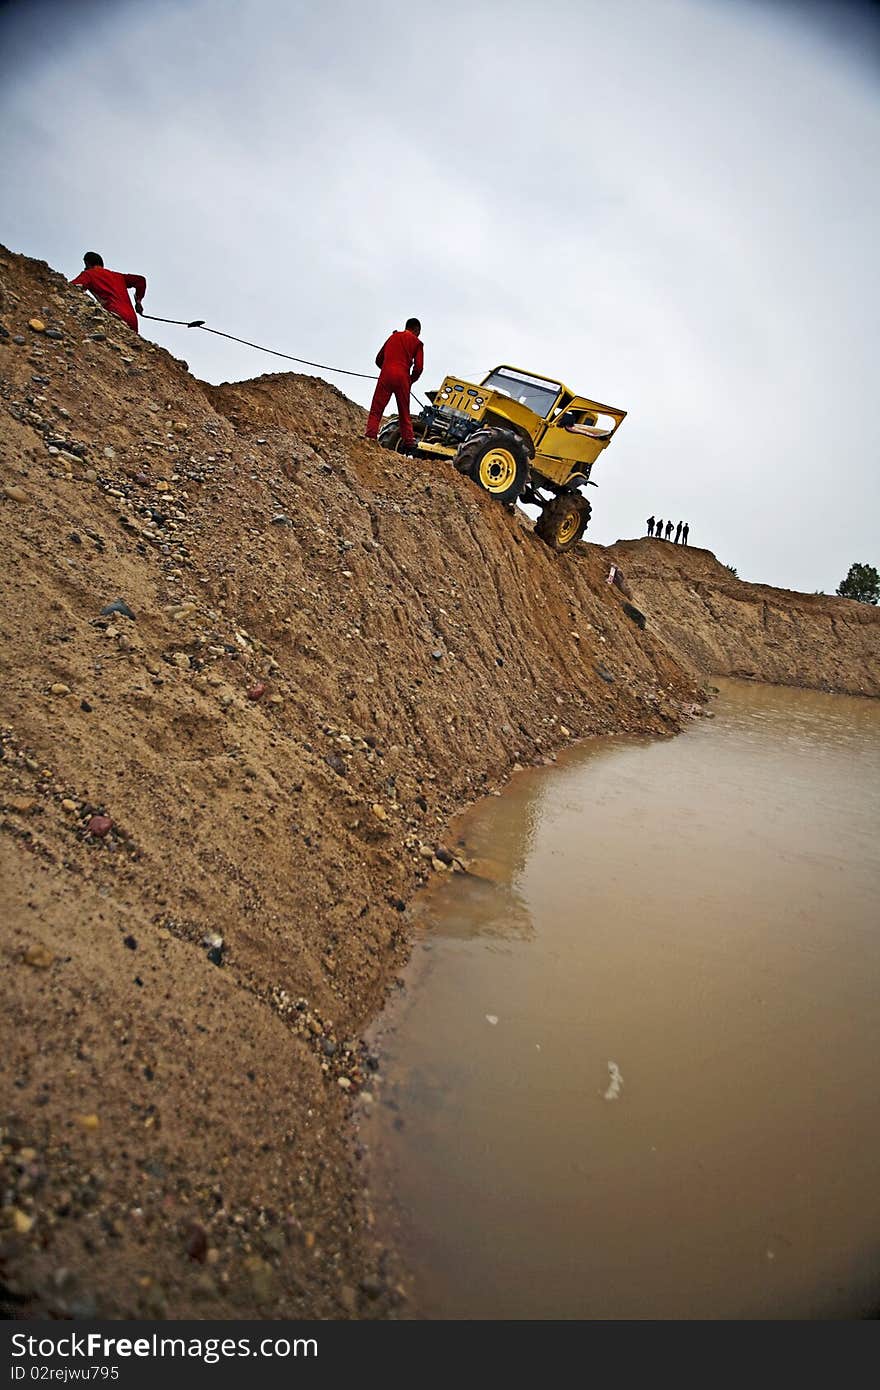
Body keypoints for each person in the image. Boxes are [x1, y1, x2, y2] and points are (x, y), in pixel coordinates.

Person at [365, 317, 424, 455]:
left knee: (376, 409)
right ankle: (409, 442)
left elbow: (378, 359)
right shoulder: (417, 342)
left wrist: (387, 368)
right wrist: (410, 380)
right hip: (403, 377)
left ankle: (370, 437)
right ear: (417, 330)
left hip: (386, 374)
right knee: (404, 413)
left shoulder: (393, 337)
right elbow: (419, 368)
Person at [70, 252, 146, 333]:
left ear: (87, 263)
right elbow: (141, 280)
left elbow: (71, 287)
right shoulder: (119, 276)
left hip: (114, 315)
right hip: (132, 320)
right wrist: (138, 301)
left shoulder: (89, 274)